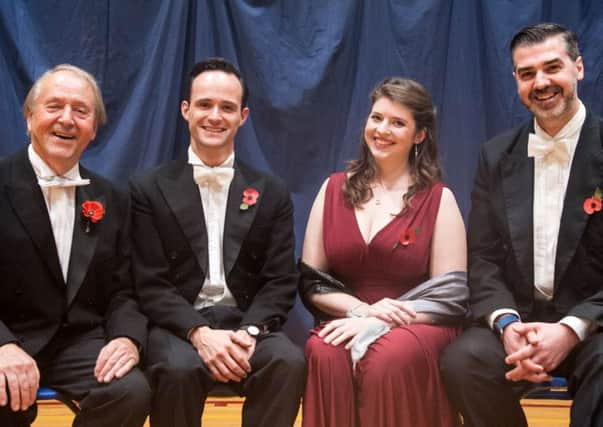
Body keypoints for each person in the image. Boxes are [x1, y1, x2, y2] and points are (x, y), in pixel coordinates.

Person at [440, 22, 603, 426]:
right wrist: (508, 324)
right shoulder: (495, 156)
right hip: (519, 322)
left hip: (593, 326)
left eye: (553, 68)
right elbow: (483, 258)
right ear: (515, 79)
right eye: (527, 74)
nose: (541, 82)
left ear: (578, 68)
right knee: (463, 361)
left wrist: (569, 329)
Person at [130, 57, 305, 427]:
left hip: (246, 323)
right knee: (178, 370)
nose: (215, 116)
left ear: (242, 116)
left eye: (227, 107)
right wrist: (198, 332)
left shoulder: (271, 191)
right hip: (179, 327)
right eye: (205, 104)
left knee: (287, 362)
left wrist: (248, 333)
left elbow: (280, 280)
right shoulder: (147, 188)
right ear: (185, 110)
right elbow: (150, 282)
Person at [300, 77, 468, 427]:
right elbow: (311, 282)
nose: (382, 129)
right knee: (324, 350)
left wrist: (384, 319)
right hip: (350, 314)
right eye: (377, 118)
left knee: (387, 356)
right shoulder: (332, 189)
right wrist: (363, 312)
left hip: (417, 323)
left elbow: (450, 296)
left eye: (397, 122)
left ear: (419, 135)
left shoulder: (439, 199)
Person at [0, 64, 151, 427]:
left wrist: (127, 338)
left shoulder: (110, 197)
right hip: (8, 339)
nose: (67, 119)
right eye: (54, 107)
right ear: (29, 116)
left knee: (131, 391)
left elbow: (124, 289)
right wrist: (2, 345)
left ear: (93, 129)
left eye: (81, 111)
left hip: (77, 343)